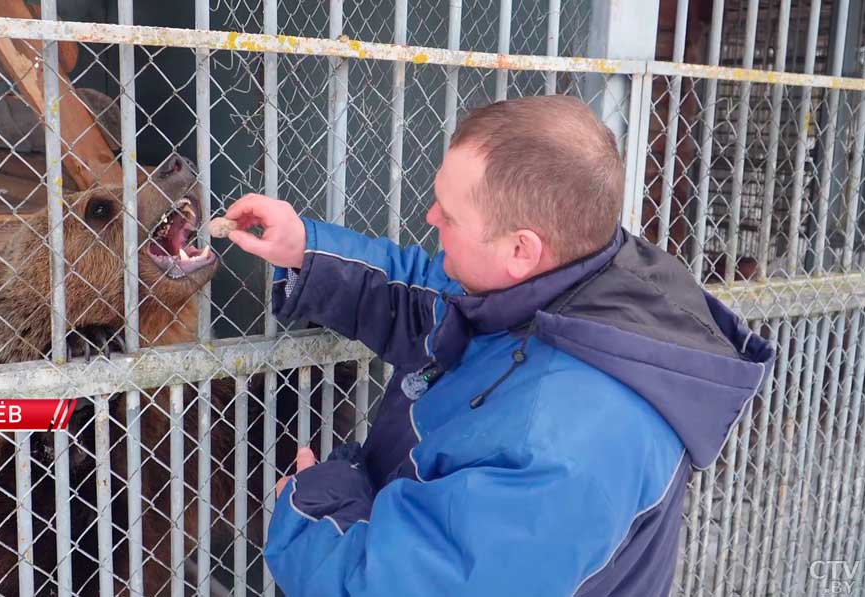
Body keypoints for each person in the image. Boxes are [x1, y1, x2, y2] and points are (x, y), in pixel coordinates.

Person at [221, 95, 775, 596]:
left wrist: (313, 504)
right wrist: (306, 250)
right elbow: (436, 302)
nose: (430, 217)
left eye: (449, 214)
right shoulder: (584, 281)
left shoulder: (564, 451)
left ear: (520, 250)